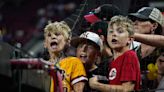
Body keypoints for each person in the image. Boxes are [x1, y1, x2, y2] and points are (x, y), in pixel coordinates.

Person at [89, 15, 141, 92]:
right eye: (111, 32)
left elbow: (126, 89)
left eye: (120, 31)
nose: (114, 34)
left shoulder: (129, 55)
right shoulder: (111, 61)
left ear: (130, 39)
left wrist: (97, 85)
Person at [43, 21, 87, 92]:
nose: (53, 37)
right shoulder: (41, 67)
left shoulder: (74, 62)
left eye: (57, 34)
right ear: (45, 43)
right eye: (49, 35)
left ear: (67, 41)